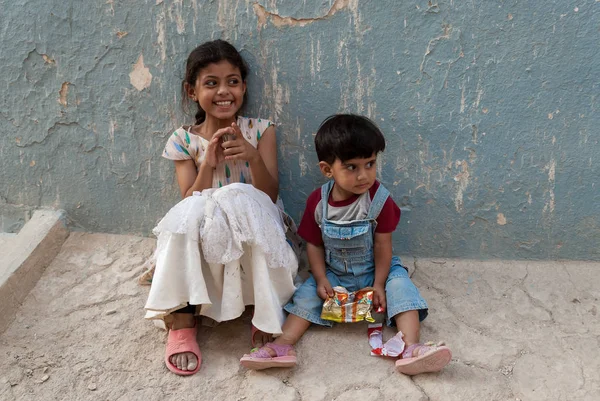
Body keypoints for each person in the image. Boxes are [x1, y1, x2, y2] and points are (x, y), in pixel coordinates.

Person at [240, 114, 451, 375]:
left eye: (370, 164)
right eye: (352, 167)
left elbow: (384, 246)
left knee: (402, 287)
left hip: (376, 270)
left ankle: (412, 348)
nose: (364, 175)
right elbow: (314, 245)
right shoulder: (319, 202)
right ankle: (282, 346)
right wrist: (320, 279)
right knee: (305, 295)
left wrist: (379, 284)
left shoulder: (379, 199)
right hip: (335, 272)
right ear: (328, 170)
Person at [144, 39, 300, 376]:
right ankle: (183, 321)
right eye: (211, 83)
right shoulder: (183, 140)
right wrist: (208, 166)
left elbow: (270, 195)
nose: (223, 91)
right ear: (192, 91)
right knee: (202, 205)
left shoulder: (261, 131)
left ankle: (264, 310)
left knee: (236, 194)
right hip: (205, 231)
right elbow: (188, 201)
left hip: (255, 228)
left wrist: (252, 156)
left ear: (243, 86)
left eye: (232, 81)